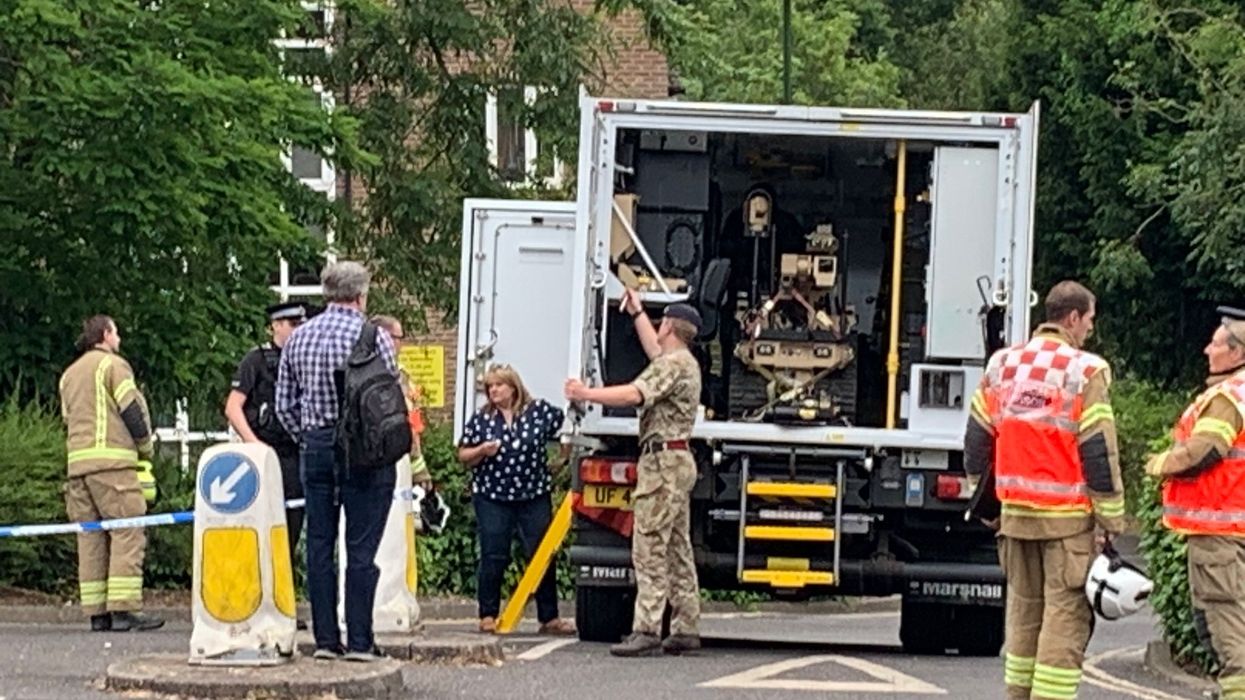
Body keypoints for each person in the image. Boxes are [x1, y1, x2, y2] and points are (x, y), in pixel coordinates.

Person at [963, 280, 1125, 700]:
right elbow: (1098, 451)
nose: (1090, 328)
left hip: (1015, 519)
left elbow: (977, 440)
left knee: (1023, 615)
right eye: (1089, 319)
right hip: (1066, 522)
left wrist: (985, 504)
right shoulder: (1086, 371)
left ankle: (1017, 694)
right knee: (1064, 618)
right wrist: (1110, 519)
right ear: (1072, 318)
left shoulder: (1003, 366)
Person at [564, 290, 702, 658]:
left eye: (660, 322)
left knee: (649, 545)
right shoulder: (678, 362)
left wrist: (586, 393)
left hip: (663, 466)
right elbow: (654, 354)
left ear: (669, 325)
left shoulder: (674, 365)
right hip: (675, 462)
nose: (657, 327)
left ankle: (647, 627)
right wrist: (638, 312)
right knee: (676, 546)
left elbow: (633, 395)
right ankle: (685, 624)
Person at [275, 261, 397, 662]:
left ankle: (326, 640)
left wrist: (308, 436)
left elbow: (284, 404)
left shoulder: (298, 337)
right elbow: (386, 396)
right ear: (361, 295)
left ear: (327, 293)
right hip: (363, 452)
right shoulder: (372, 336)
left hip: (317, 448)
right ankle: (361, 640)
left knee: (319, 544)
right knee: (361, 547)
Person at [1147, 308, 1245, 700]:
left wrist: (1160, 464)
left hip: (1220, 533)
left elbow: (1204, 451)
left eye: (1216, 344)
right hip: (1232, 530)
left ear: (1237, 353)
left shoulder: (1228, 398)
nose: (1207, 350)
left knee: (1225, 629)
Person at [59, 315, 164, 632]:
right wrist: (145, 447)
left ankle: (97, 613)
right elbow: (131, 408)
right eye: (117, 332)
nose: (119, 338)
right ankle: (123, 609)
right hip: (113, 466)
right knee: (127, 529)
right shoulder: (114, 366)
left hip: (78, 468)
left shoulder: (68, 375)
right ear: (106, 335)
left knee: (90, 536)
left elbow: (69, 420)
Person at [458, 364, 576, 636]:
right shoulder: (482, 419)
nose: (493, 390)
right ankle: (488, 614)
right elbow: (463, 454)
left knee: (542, 553)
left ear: (513, 387)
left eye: (498, 385)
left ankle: (550, 617)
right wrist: (482, 451)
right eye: (490, 387)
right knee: (493, 553)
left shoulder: (538, 412)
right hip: (493, 496)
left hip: (533, 494)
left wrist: (563, 458)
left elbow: (568, 426)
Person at [224, 301, 309, 627]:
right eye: (289, 323)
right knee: (261, 529)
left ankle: (284, 604)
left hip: (294, 455)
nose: (296, 329)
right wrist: (255, 445)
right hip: (264, 455)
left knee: (289, 532)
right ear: (274, 326)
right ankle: (257, 601)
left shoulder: (304, 360)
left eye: (299, 323)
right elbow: (233, 407)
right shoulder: (256, 360)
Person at [370, 315, 432, 490]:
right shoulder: (396, 379)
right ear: (386, 338)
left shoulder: (402, 375)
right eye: (399, 338)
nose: (401, 345)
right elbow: (408, 424)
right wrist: (420, 470)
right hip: (394, 462)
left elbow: (415, 424)